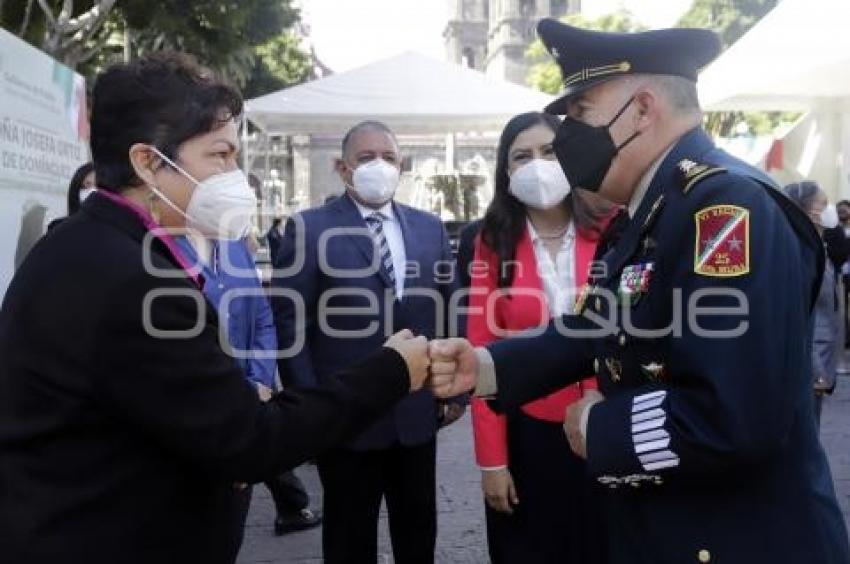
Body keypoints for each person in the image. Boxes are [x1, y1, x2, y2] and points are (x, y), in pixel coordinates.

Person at [428, 20, 850, 564]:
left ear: (643, 110)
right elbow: (594, 327)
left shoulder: (724, 212)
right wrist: (483, 366)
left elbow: (734, 417)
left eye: (579, 112)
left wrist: (601, 427)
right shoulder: (652, 214)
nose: (565, 136)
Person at [0, 52, 432, 564]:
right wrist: (391, 371)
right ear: (147, 161)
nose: (234, 174)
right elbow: (251, 442)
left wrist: (223, 392)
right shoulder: (132, 277)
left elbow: (140, 391)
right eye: (220, 155)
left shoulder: (86, 245)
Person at [273, 120, 464, 564]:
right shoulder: (309, 229)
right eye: (365, 158)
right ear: (343, 169)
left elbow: (449, 309)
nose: (379, 166)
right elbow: (291, 327)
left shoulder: (429, 228)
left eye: (389, 158)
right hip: (346, 421)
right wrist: (309, 412)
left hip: (417, 416)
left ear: (402, 166)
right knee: (348, 538)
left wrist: (457, 390)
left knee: (418, 532)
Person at [468, 111, 608, 563]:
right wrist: (492, 461)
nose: (538, 164)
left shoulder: (613, 227)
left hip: (606, 423)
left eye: (549, 151)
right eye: (522, 156)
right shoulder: (493, 239)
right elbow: (482, 353)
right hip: (528, 436)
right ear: (506, 173)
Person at [173, 233, 322, 550]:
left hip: (244, 412)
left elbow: (262, 318)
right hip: (190, 418)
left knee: (226, 531)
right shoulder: (157, 248)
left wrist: (259, 383)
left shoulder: (234, 247)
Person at [782, 181, 842, 426]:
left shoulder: (816, 245)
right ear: (807, 211)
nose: (830, 211)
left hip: (820, 359)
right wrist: (816, 371)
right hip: (808, 363)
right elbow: (798, 315)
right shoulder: (798, 251)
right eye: (823, 205)